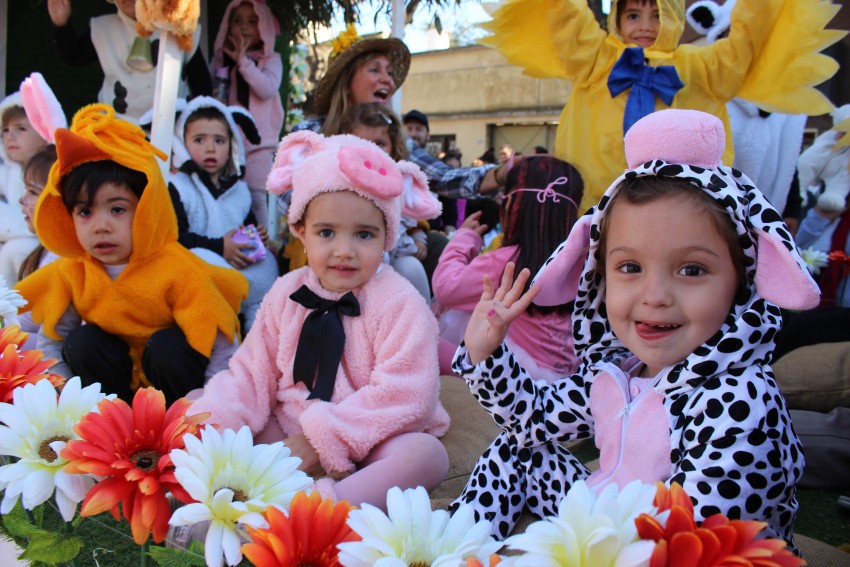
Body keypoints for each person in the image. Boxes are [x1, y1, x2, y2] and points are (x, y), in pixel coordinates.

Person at [450, 109, 819, 546]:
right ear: (596, 274)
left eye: (692, 269)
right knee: (518, 449)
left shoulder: (738, 400)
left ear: (743, 280)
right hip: (604, 517)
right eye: (630, 267)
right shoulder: (621, 371)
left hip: (665, 545)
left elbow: (697, 539)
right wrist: (486, 352)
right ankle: (453, 544)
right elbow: (532, 419)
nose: (655, 295)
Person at [188, 131, 449, 511]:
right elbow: (252, 373)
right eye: (326, 232)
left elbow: (407, 394)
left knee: (425, 455)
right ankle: (215, 486)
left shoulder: (401, 302)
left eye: (364, 234)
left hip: (369, 436)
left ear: (387, 238)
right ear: (301, 232)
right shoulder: (286, 292)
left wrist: (320, 441)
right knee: (201, 404)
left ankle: (313, 512)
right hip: (289, 428)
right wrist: (217, 421)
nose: (344, 250)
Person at [482, 0, 843, 212]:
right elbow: (566, 18)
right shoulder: (596, 59)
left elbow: (745, 47)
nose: (646, 26)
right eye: (633, 15)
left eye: (657, 14)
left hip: (678, 204)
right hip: (598, 204)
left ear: (674, 16)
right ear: (617, 19)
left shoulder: (698, 67)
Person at [14, 104, 247, 406]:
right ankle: (111, 415)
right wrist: (67, 400)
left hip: (178, 388)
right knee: (81, 343)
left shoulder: (177, 268)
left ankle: (173, 418)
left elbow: (221, 341)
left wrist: (211, 402)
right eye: (85, 212)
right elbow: (53, 341)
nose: (101, 226)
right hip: (118, 383)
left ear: (147, 208)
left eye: (117, 209)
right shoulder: (72, 271)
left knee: (166, 346)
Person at [295, 25, 507, 199]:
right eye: (375, 69)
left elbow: (443, 177)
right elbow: (290, 194)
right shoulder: (309, 134)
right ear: (346, 82)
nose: (389, 80)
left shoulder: (395, 138)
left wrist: (500, 173)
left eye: (389, 72)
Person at [433, 155, 583, 381]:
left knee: (424, 337)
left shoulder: (506, 262)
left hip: (516, 378)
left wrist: (465, 238)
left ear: (513, 207)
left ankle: (465, 379)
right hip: (568, 378)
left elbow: (446, 288)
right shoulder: (584, 260)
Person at [167, 96, 278, 330]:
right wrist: (220, 247)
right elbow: (175, 237)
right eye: (199, 140)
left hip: (236, 265)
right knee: (201, 262)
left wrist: (256, 236)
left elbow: (247, 225)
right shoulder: (178, 186)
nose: (210, 148)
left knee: (268, 266)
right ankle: (220, 326)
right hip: (201, 270)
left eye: (219, 140)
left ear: (232, 145)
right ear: (182, 142)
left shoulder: (240, 191)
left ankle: (257, 330)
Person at [47, 0, 212, 123]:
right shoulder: (104, 27)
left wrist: (200, 122)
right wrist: (60, 24)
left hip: (172, 131)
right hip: (118, 129)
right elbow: (74, 56)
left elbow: (201, 82)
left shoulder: (179, 28)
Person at [211, 0, 284, 225]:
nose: (244, 27)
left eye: (252, 21)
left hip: (260, 142)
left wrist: (243, 62)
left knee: (256, 196)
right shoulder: (224, 59)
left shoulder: (271, 60)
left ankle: (263, 241)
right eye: (237, 21)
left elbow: (267, 88)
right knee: (231, 193)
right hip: (232, 140)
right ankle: (237, 238)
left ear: (263, 27)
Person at [0, 94, 50, 285]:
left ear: (44, 133)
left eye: (21, 128)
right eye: (5, 130)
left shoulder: (53, 170)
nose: (9, 137)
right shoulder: (8, 171)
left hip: (45, 245)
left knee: (17, 248)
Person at [16, 146, 60, 350]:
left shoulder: (61, 259)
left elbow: (51, 343)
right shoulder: (49, 251)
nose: (22, 199)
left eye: (32, 192)